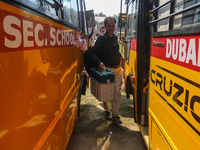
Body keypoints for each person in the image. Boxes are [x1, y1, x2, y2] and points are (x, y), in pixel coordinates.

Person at [91, 17, 124, 124]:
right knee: (106, 93)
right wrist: (99, 63)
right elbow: (93, 53)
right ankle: (107, 110)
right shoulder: (101, 38)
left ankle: (115, 115)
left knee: (117, 92)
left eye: (113, 26)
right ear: (105, 26)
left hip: (118, 69)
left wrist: (120, 56)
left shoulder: (115, 37)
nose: (111, 28)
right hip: (107, 70)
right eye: (109, 26)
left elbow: (115, 51)